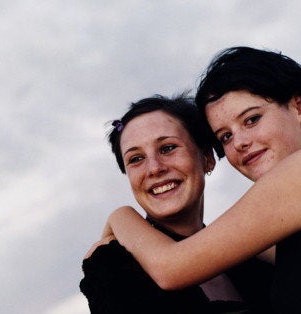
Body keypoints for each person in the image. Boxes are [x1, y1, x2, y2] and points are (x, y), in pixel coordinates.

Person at [95, 47, 301, 313]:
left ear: (300, 106)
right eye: (225, 136)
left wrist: (121, 217)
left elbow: (172, 267)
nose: (239, 142)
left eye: (252, 119)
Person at [80, 94, 274, 313]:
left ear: (207, 158)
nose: (154, 168)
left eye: (167, 148)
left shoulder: (251, 256)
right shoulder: (112, 263)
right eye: (136, 159)